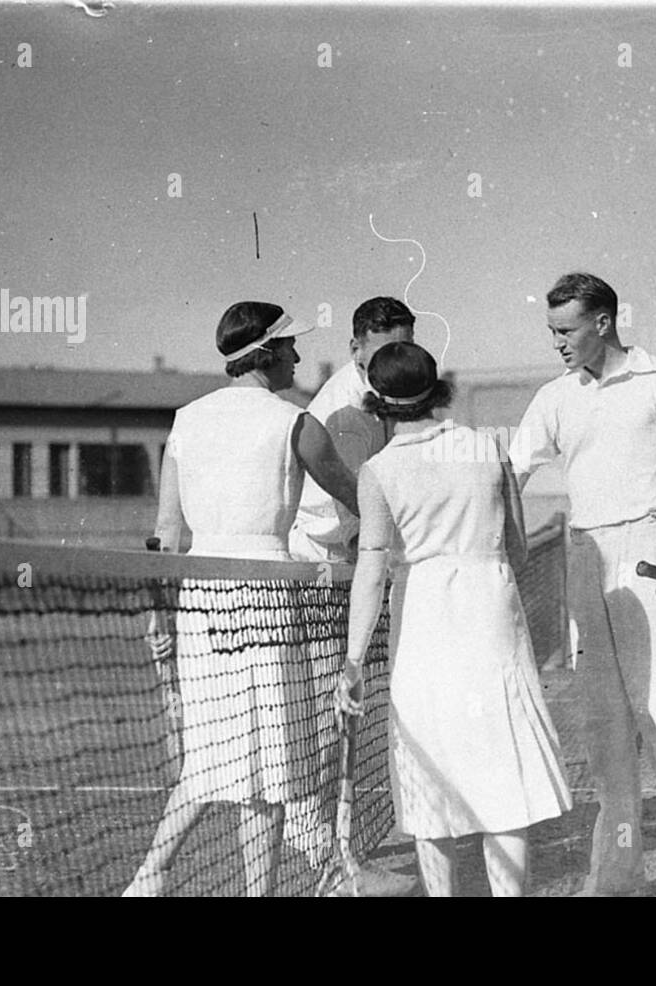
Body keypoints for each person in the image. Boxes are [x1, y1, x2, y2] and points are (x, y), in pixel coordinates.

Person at [123, 300, 359, 897]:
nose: (298, 357)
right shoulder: (298, 423)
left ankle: (148, 881)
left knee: (214, 754)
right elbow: (360, 496)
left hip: (200, 598)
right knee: (271, 763)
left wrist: (159, 611)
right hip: (267, 594)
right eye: (290, 347)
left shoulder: (185, 421)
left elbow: (167, 534)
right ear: (267, 353)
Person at [509, 272, 656, 897]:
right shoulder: (554, 397)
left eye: (566, 329)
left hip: (653, 553)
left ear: (603, 322)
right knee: (606, 728)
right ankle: (617, 880)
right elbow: (507, 477)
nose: (557, 342)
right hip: (585, 560)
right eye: (551, 330)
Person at [334, 342, 572, 897]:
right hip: (492, 616)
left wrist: (352, 661)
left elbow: (371, 571)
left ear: (377, 401)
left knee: (429, 782)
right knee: (503, 779)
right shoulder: (488, 446)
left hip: (424, 624)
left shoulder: (378, 471)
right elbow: (517, 548)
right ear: (436, 390)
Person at [287, 297, 415, 564]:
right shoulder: (346, 413)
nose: (399, 361)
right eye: (386, 352)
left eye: (406, 348)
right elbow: (353, 511)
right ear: (356, 350)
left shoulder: (393, 389)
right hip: (324, 553)